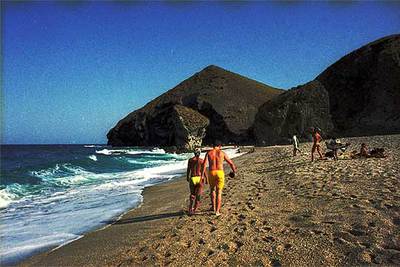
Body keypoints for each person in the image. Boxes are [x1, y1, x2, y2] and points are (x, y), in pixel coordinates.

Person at [201, 140, 237, 216]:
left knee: (212, 190)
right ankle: (217, 211)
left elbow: (204, 164)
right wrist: (234, 172)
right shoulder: (222, 153)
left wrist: (202, 175)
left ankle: (213, 207)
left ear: (212, 146)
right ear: (220, 146)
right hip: (220, 173)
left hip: (211, 172)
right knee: (219, 192)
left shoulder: (209, 153)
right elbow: (231, 163)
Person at [186, 150, 205, 215]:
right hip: (199, 178)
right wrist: (206, 179)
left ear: (194, 153)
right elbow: (203, 170)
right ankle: (195, 209)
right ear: (199, 154)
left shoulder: (190, 160)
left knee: (192, 194)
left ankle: (190, 209)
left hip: (193, 177)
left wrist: (187, 177)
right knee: (198, 195)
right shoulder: (202, 160)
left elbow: (188, 169)